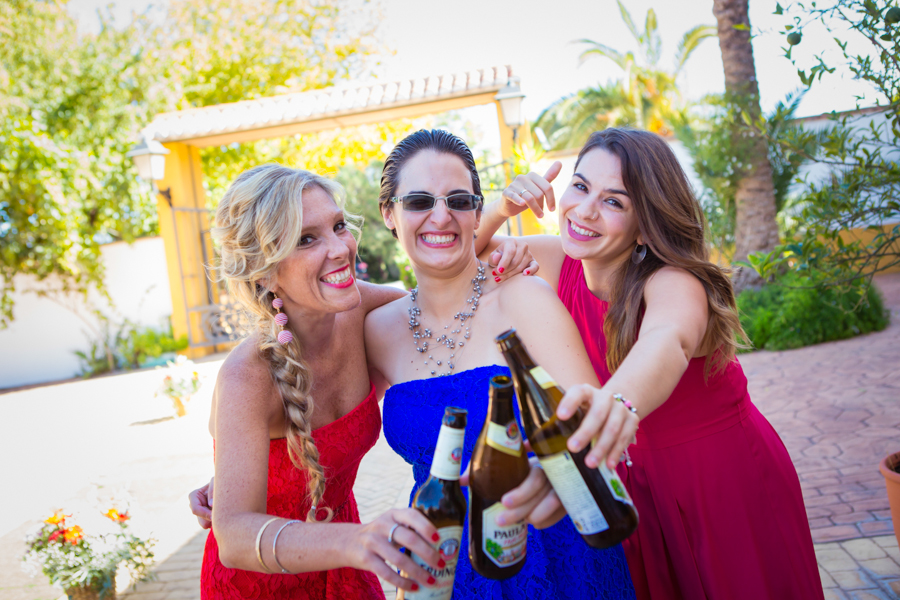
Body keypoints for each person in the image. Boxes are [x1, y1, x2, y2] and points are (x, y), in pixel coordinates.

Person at [475, 128, 825, 600]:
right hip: (635, 487)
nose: (585, 210)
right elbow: (456, 259)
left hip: (720, 482)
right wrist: (501, 210)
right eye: (580, 186)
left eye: (614, 202)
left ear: (645, 222)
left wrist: (617, 402)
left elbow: (669, 339)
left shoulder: (674, 280)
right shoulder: (559, 262)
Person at [196, 164, 536, 600]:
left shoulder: (362, 309)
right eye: (306, 239)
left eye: (339, 226)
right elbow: (234, 537)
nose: (341, 249)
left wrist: (496, 246)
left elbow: (444, 294)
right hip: (264, 580)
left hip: (347, 565)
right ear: (263, 270)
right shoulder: (248, 375)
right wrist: (355, 540)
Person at [364, 129, 638, 599]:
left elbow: (594, 431)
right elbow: (331, 421)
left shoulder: (524, 297)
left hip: (553, 558)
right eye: (418, 202)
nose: (441, 216)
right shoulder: (376, 330)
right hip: (441, 569)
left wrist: (546, 487)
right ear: (389, 213)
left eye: (458, 200)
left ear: (477, 212)